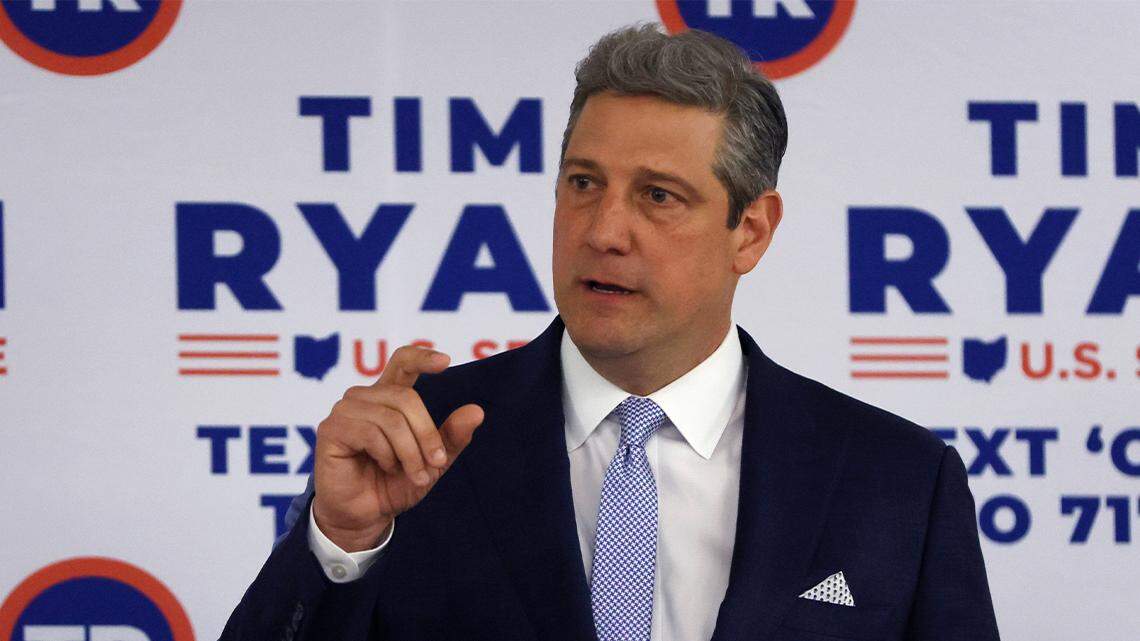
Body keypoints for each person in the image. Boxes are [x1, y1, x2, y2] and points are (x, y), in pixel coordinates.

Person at [221, 24, 1000, 641]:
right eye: (584, 183)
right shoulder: (421, 445)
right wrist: (342, 541)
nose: (602, 231)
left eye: (658, 196)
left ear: (751, 230)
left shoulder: (897, 480)